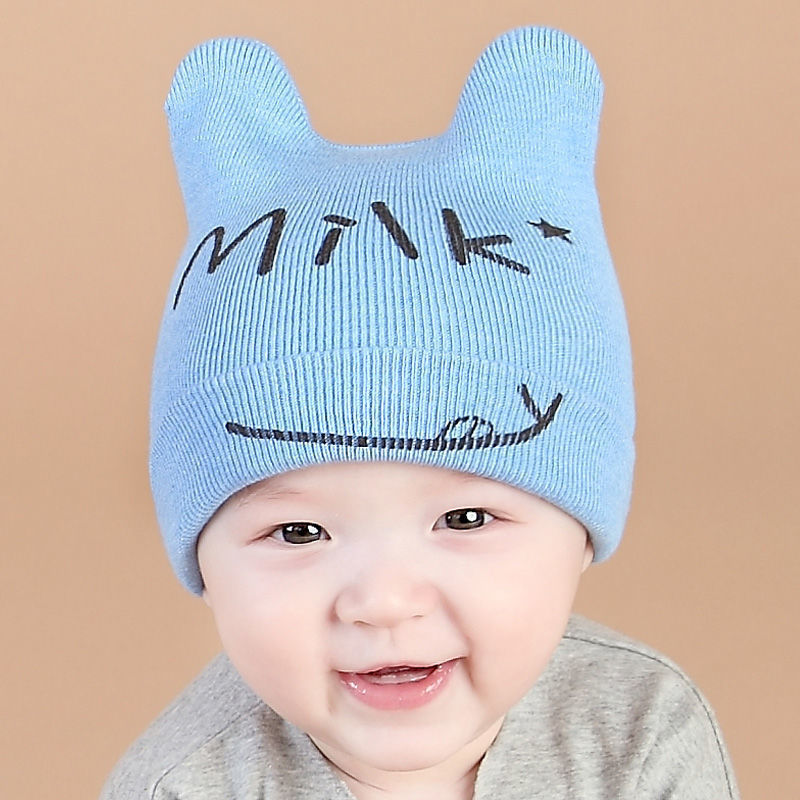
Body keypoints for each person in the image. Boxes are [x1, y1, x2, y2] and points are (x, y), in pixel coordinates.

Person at [100, 25, 739, 799]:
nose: (384, 602)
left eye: (465, 519)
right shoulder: (183, 786)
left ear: (581, 534)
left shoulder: (640, 735)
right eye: (298, 532)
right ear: (204, 565)